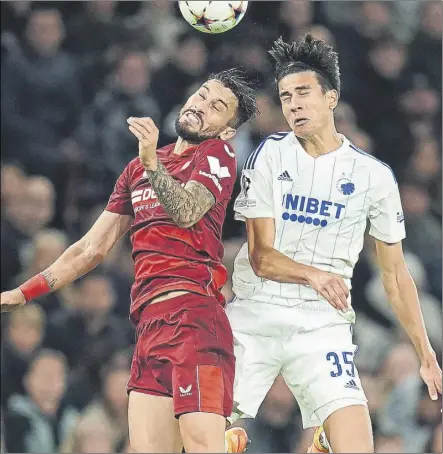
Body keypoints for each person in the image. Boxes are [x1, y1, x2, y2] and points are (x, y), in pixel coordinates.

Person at [1, 68, 258, 453]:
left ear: (226, 130)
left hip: (195, 322)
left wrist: (153, 162)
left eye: (217, 106)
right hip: (149, 328)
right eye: (202, 95)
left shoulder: (217, 154)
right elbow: (91, 249)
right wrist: (24, 293)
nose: (202, 105)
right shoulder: (137, 169)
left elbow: (187, 211)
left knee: (204, 446)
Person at [224, 35, 441, 453]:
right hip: (257, 312)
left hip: (322, 323)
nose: (293, 105)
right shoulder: (268, 155)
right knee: (199, 435)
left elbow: (396, 275)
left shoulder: (373, 175)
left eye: (303, 93)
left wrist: (425, 352)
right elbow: (260, 255)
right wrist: (314, 274)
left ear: (331, 98)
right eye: (286, 97)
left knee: (358, 444)